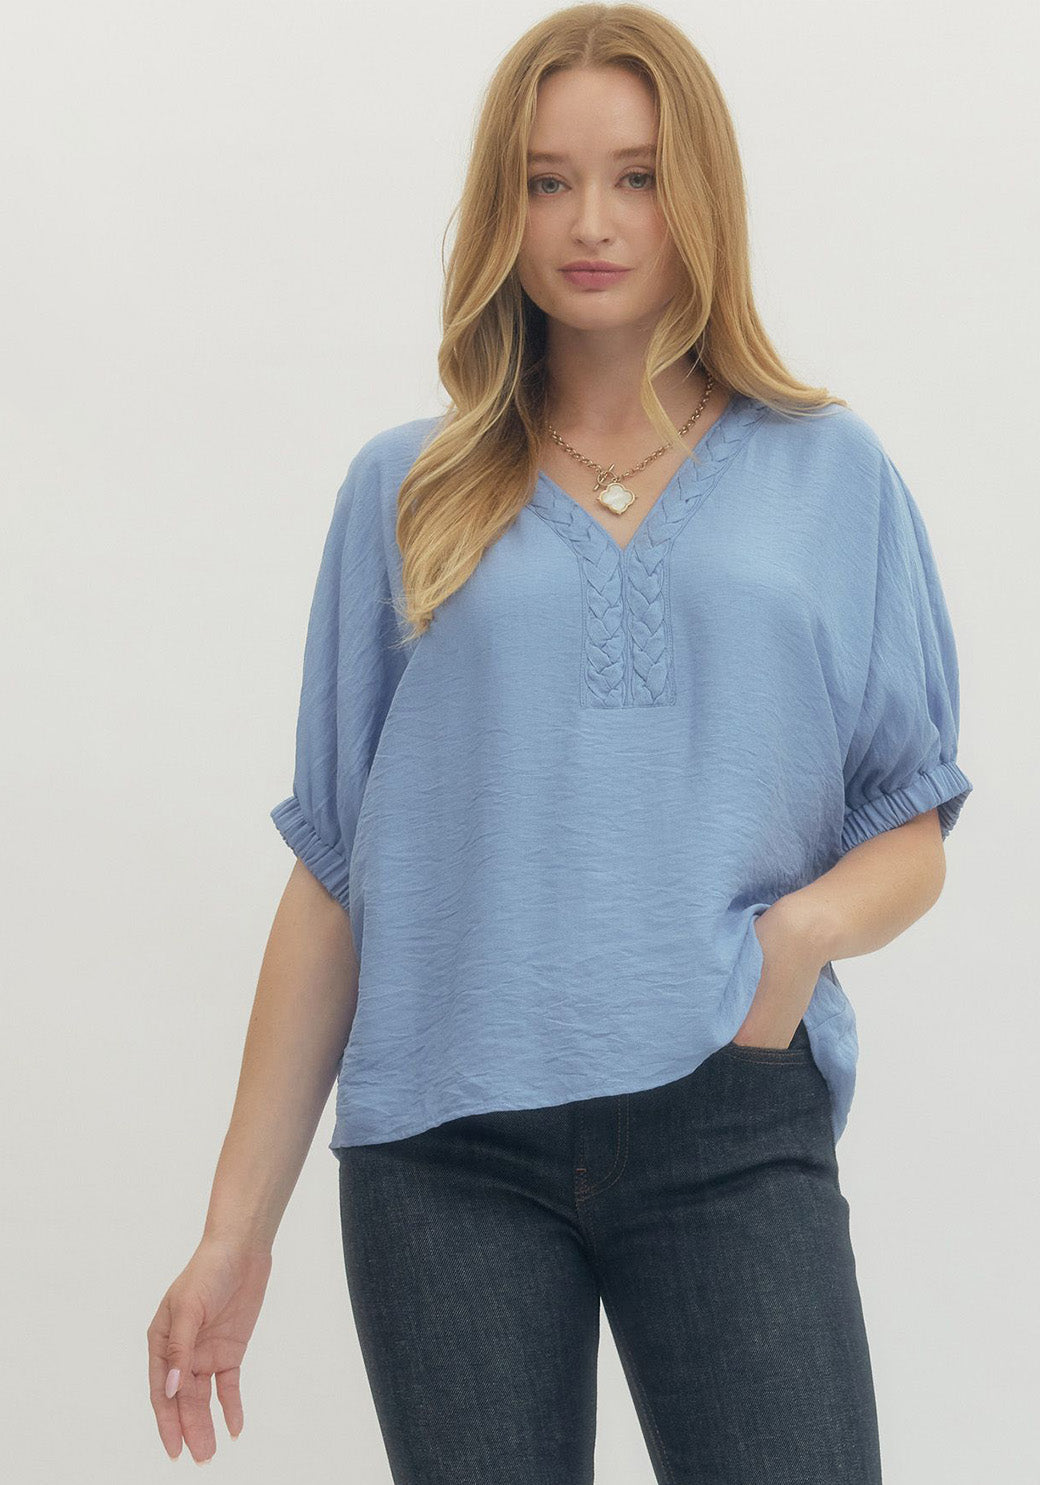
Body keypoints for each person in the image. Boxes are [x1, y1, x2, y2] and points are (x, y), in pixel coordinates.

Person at [147, 6, 973, 1481]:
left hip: (729, 1116)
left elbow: (908, 822)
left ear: (697, 194)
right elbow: (334, 876)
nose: (591, 221)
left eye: (636, 177)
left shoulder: (829, 471)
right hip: (447, 1157)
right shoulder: (406, 490)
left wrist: (796, 943)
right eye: (547, 181)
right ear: (502, 207)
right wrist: (232, 1233)